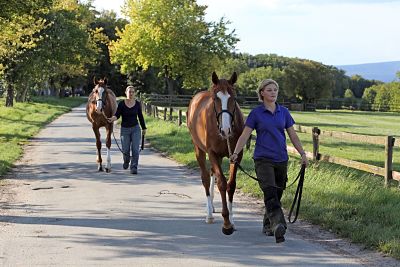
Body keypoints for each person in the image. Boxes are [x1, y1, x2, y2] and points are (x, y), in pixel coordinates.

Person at [230, 79, 308, 243]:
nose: (273, 92)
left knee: (277, 194)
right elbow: (245, 135)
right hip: (263, 159)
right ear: (262, 93)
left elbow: (293, 135)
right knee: (270, 191)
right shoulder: (256, 114)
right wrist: (236, 152)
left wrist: (302, 154)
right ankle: (279, 225)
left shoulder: (284, 112)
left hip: (281, 159)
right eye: (269, 90)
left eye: (275, 90)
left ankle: (268, 224)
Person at [108, 86, 147, 174]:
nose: (131, 93)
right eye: (129, 92)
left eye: (133, 92)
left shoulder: (137, 104)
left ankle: (134, 167)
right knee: (125, 150)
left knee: (135, 149)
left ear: (134, 93)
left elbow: (140, 116)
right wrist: (112, 119)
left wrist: (144, 128)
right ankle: (126, 161)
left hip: (135, 129)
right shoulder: (122, 104)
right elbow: (117, 115)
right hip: (125, 129)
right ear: (126, 92)